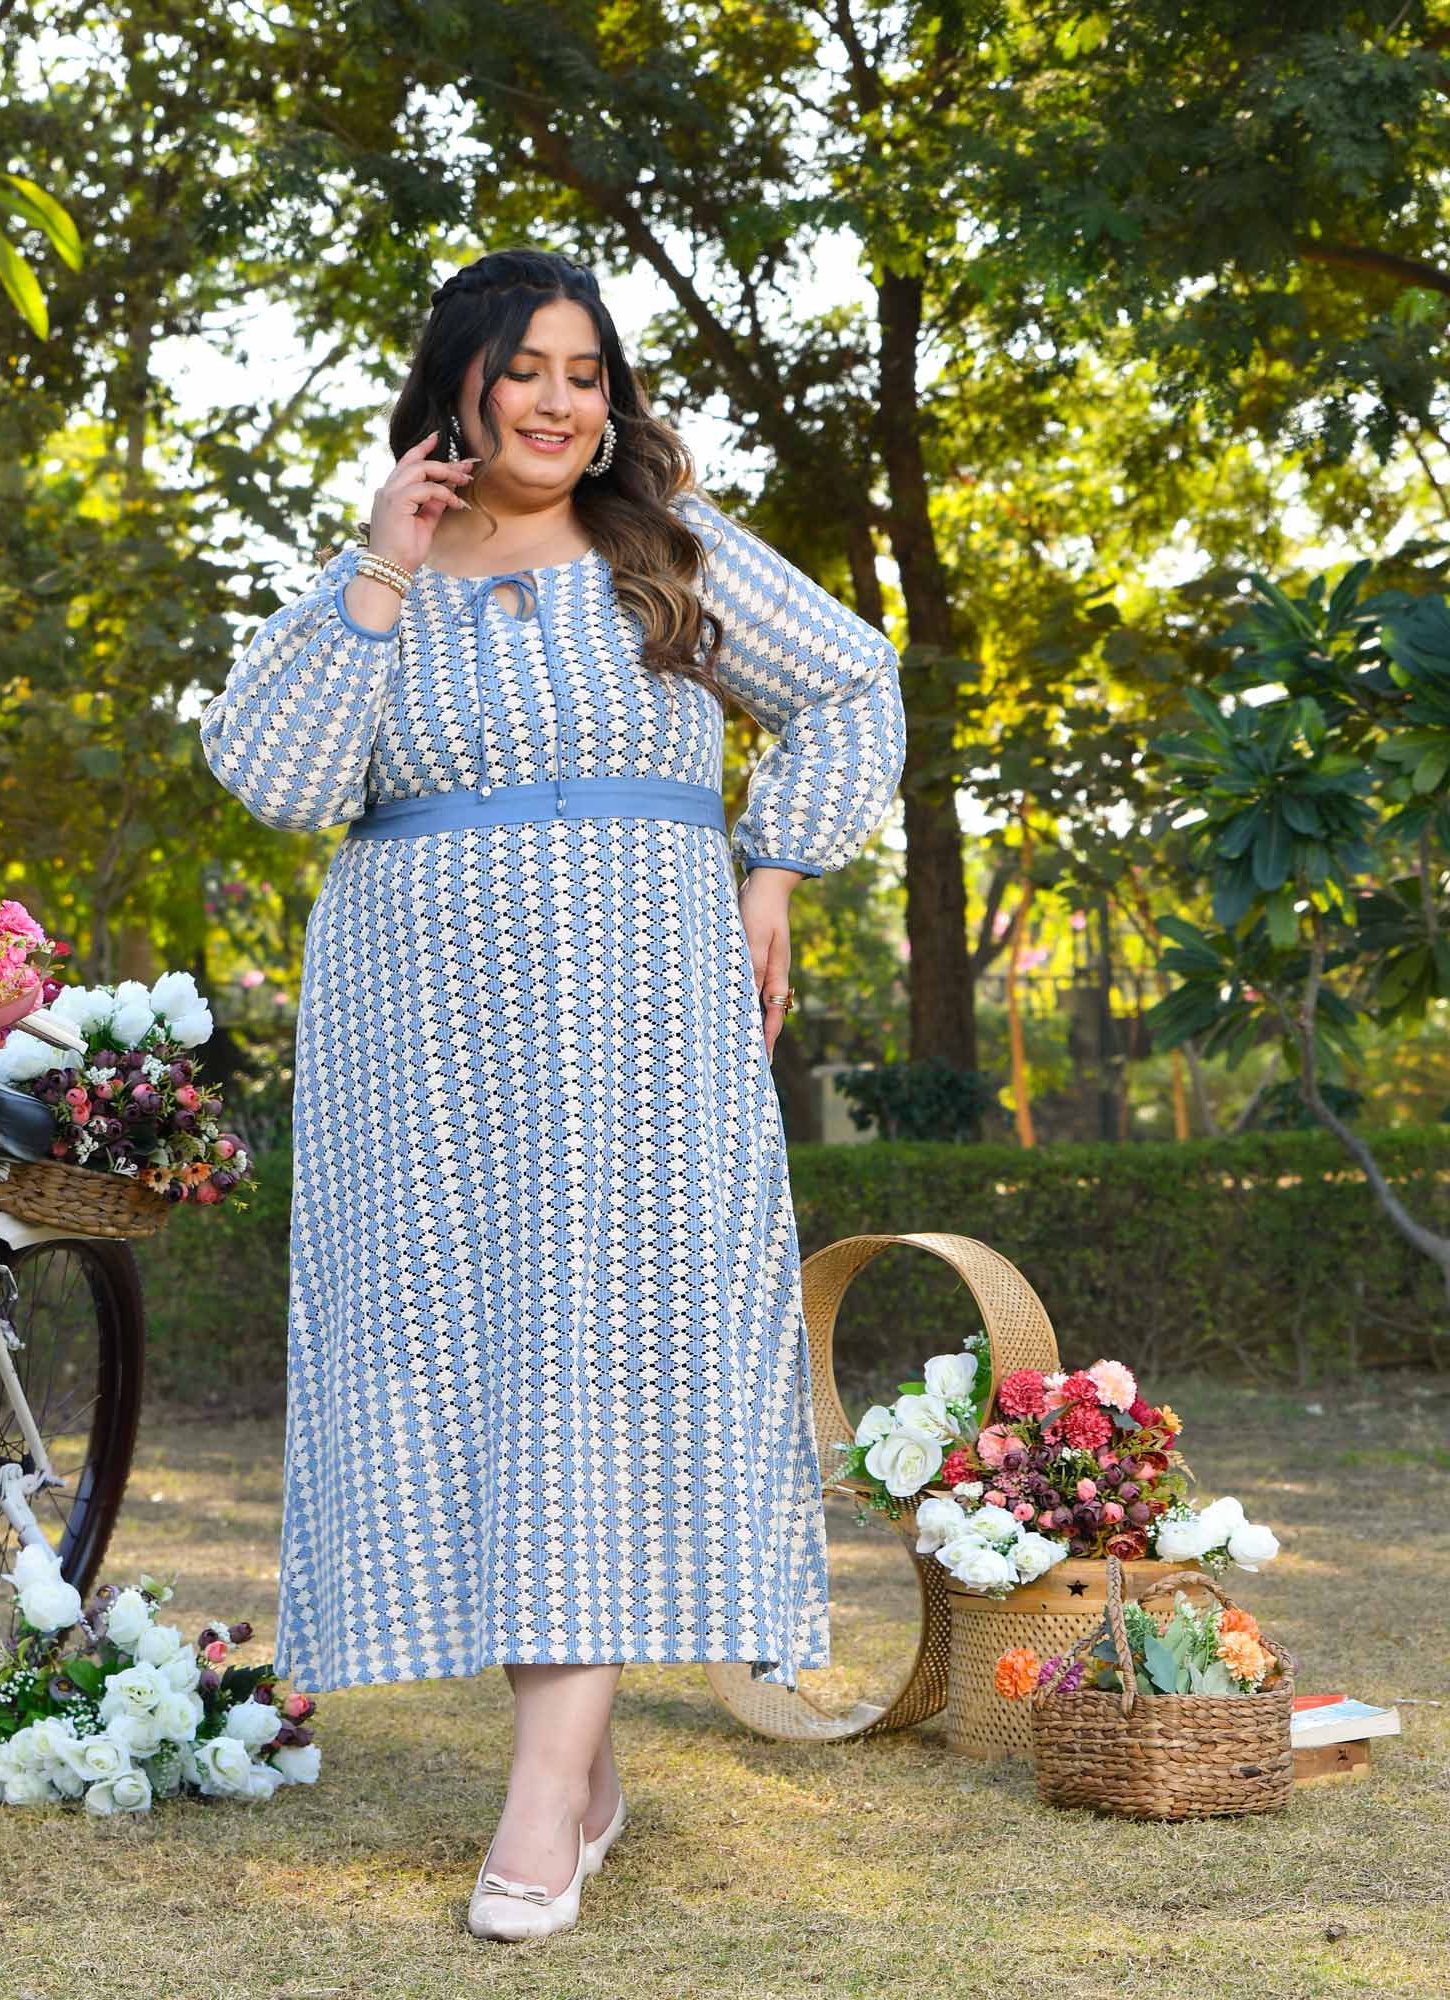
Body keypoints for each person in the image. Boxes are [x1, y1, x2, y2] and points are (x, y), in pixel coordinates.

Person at [198, 246, 906, 1940]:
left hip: (644, 1019)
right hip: (420, 1032)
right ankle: (576, 1768)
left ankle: (540, 1793)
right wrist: (381, 563)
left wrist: (772, 874)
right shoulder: (381, 580)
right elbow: (279, 781)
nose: (561, 402)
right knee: (486, 1366)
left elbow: (854, 685)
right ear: (461, 382)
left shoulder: (668, 549)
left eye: (590, 375)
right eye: (530, 369)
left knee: (609, 1356)